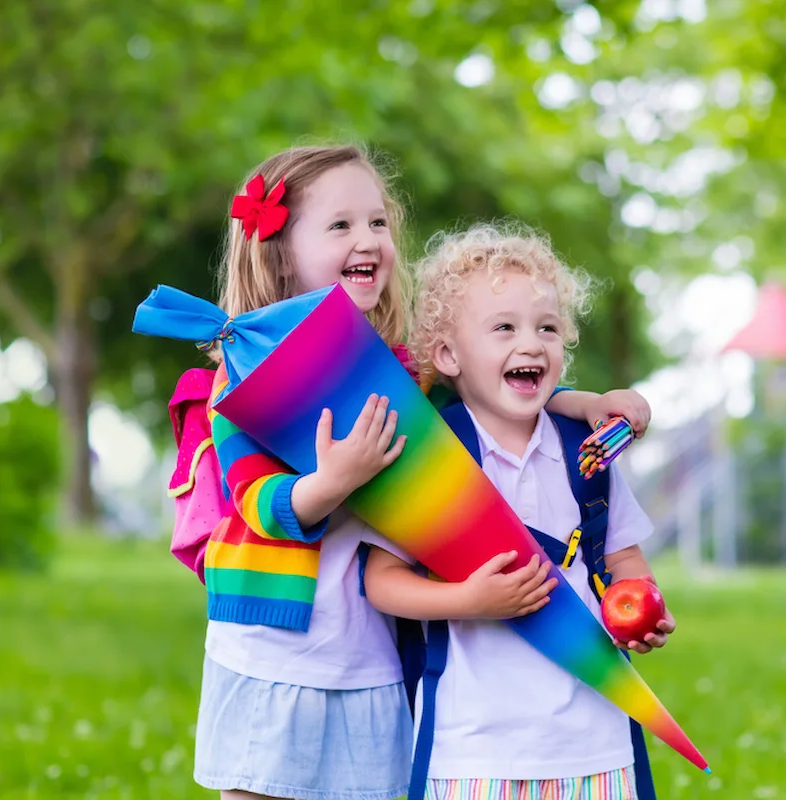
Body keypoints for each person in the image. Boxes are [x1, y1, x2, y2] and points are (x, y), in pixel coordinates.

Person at [179, 145, 651, 800]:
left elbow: (485, 387)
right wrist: (332, 481)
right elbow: (256, 502)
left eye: (377, 223)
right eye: (340, 225)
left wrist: (578, 403)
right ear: (280, 252)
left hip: (371, 653)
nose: (368, 239)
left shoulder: (399, 366)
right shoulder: (243, 372)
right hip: (276, 650)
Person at [364, 223, 675, 800]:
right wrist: (467, 602)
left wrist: (642, 610)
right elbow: (381, 582)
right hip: (475, 753)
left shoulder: (588, 454)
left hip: (596, 743)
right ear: (448, 355)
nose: (531, 344)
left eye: (548, 328)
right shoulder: (432, 460)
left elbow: (625, 559)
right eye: (504, 328)